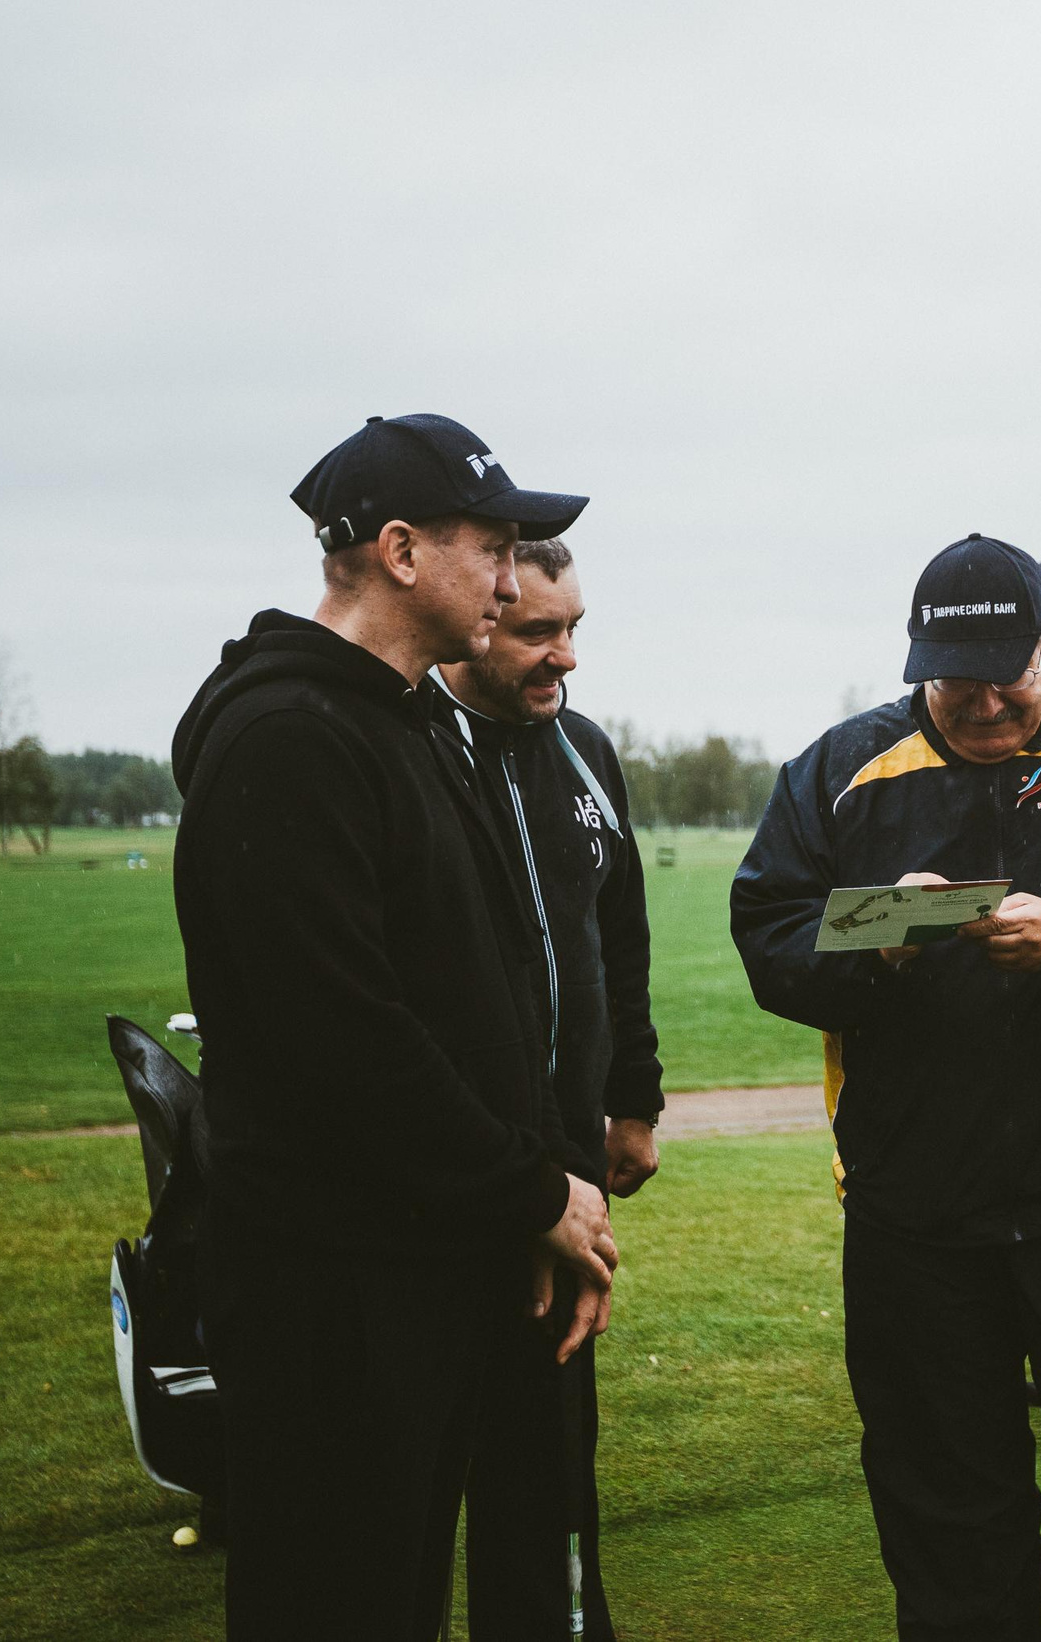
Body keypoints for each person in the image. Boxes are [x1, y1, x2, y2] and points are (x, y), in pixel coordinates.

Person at [732, 532, 1041, 1641]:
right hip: (917, 1208)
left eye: (1008, 676)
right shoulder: (839, 768)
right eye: (955, 681)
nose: (985, 704)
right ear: (917, 659)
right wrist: (880, 932)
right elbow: (767, 937)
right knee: (947, 1513)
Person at [171, 412, 619, 1639]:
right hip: (333, 1297)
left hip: (429, 1263)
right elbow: (346, 1044)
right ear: (403, 551)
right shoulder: (288, 738)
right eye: (496, 547)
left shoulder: (407, 718)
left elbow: (487, 988)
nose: (516, 581)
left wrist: (527, 1198)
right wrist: (534, 1190)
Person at [430, 533, 666, 1639]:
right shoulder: (417, 747)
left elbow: (619, 937)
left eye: (574, 630)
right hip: (446, 1176)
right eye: (537, 631)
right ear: (477, 616)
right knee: (424, 1466)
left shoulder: (586, 752)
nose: (563, 657)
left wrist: (635, 1098)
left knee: (551, 1463)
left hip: (569, 1175)